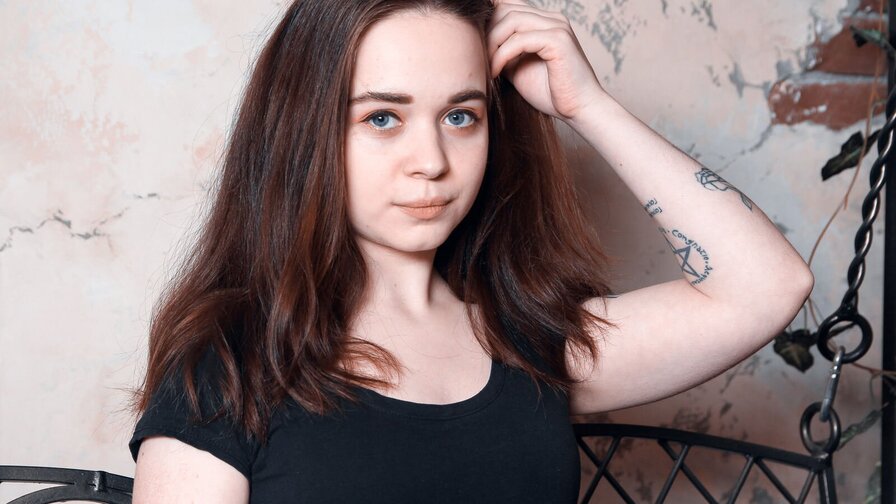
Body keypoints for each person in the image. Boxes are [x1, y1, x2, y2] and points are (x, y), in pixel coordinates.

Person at [129, 0, 814, 502]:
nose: (432, 160)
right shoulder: (231, 364)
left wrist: (588, 106)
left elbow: (768, 287)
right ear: (305, 131)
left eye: (461, 116)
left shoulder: (529, 342)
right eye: (382, 118)